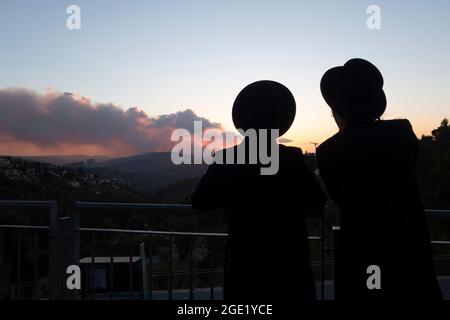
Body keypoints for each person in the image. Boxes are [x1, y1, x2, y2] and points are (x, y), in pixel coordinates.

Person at [316, 58, 442, 300]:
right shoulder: (402, 132)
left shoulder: (327, 151)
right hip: (409, 244)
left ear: (338, 107)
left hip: (361, 248)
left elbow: (338, 196)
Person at [192, 80, 325, 300]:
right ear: (280, 122)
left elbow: (200, 201)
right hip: (290, 267)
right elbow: (317, 202)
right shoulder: (292, 158)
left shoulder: (227, 158)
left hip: (244, 268)